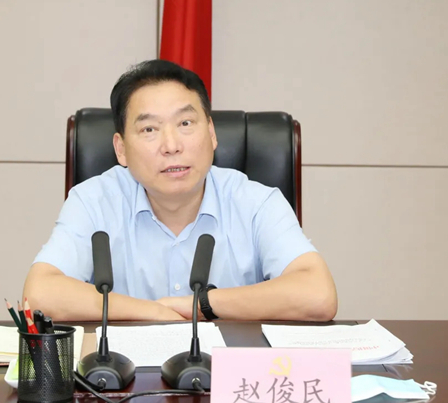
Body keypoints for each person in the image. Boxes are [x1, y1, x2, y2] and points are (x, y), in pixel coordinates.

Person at [23, 59, 337, 322]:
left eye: (185, 123)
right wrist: (154, 313)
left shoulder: (256, 203)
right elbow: (39, 295)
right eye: (149, 129)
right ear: (121, 149)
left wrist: (203, 305)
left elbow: (318, 295)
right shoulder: (93, 201)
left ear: (211, 134)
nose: (171, 145)